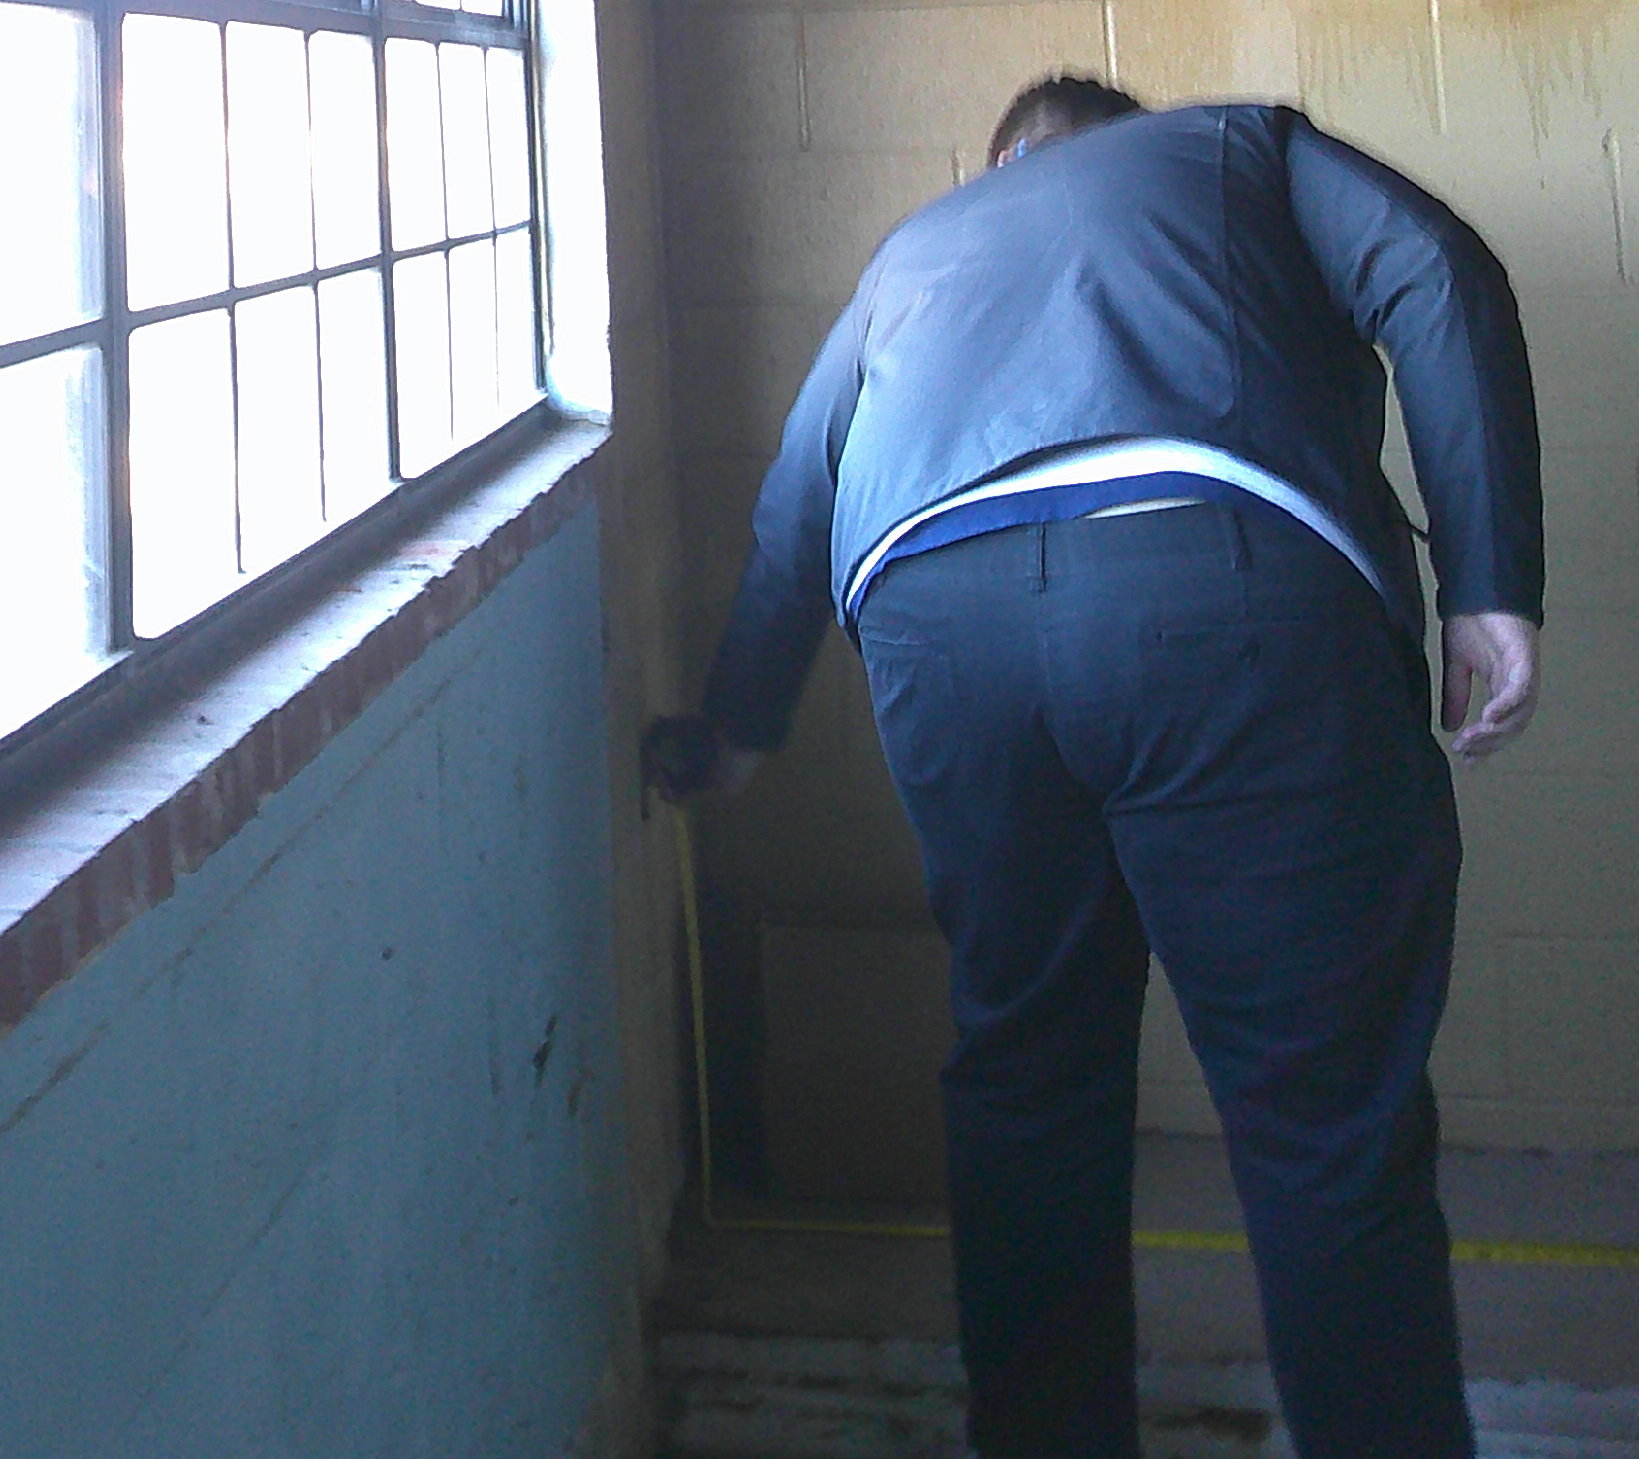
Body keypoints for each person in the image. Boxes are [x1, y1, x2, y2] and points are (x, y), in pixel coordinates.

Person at [646, 76, 1542, 1459]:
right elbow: (1433, 267)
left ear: (1002, 157)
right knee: (1321, 1121)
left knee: (1028, 1094)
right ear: (1128, 138)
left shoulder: (913, 252)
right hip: (1218, 588)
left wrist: (735, 736)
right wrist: (1489, 583)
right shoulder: (1234, 146)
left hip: (940, 632)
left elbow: (794, 508)